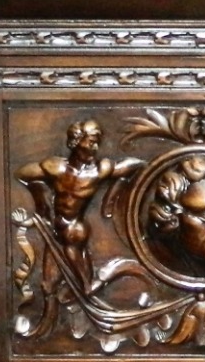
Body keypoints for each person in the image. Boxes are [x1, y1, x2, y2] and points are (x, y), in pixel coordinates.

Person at [17, 119, 142, 292]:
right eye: (91, 142)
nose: (95, 148)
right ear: (76, 141)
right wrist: (40, 198)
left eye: (97, 143)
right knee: (47, 283)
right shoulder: (56, 167)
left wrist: (113, 193)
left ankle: (86, 285)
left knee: (72, 256)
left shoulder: (98, 171)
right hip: (55, 230)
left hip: (74, 230)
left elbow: (134, 166)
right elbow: (21, 174)